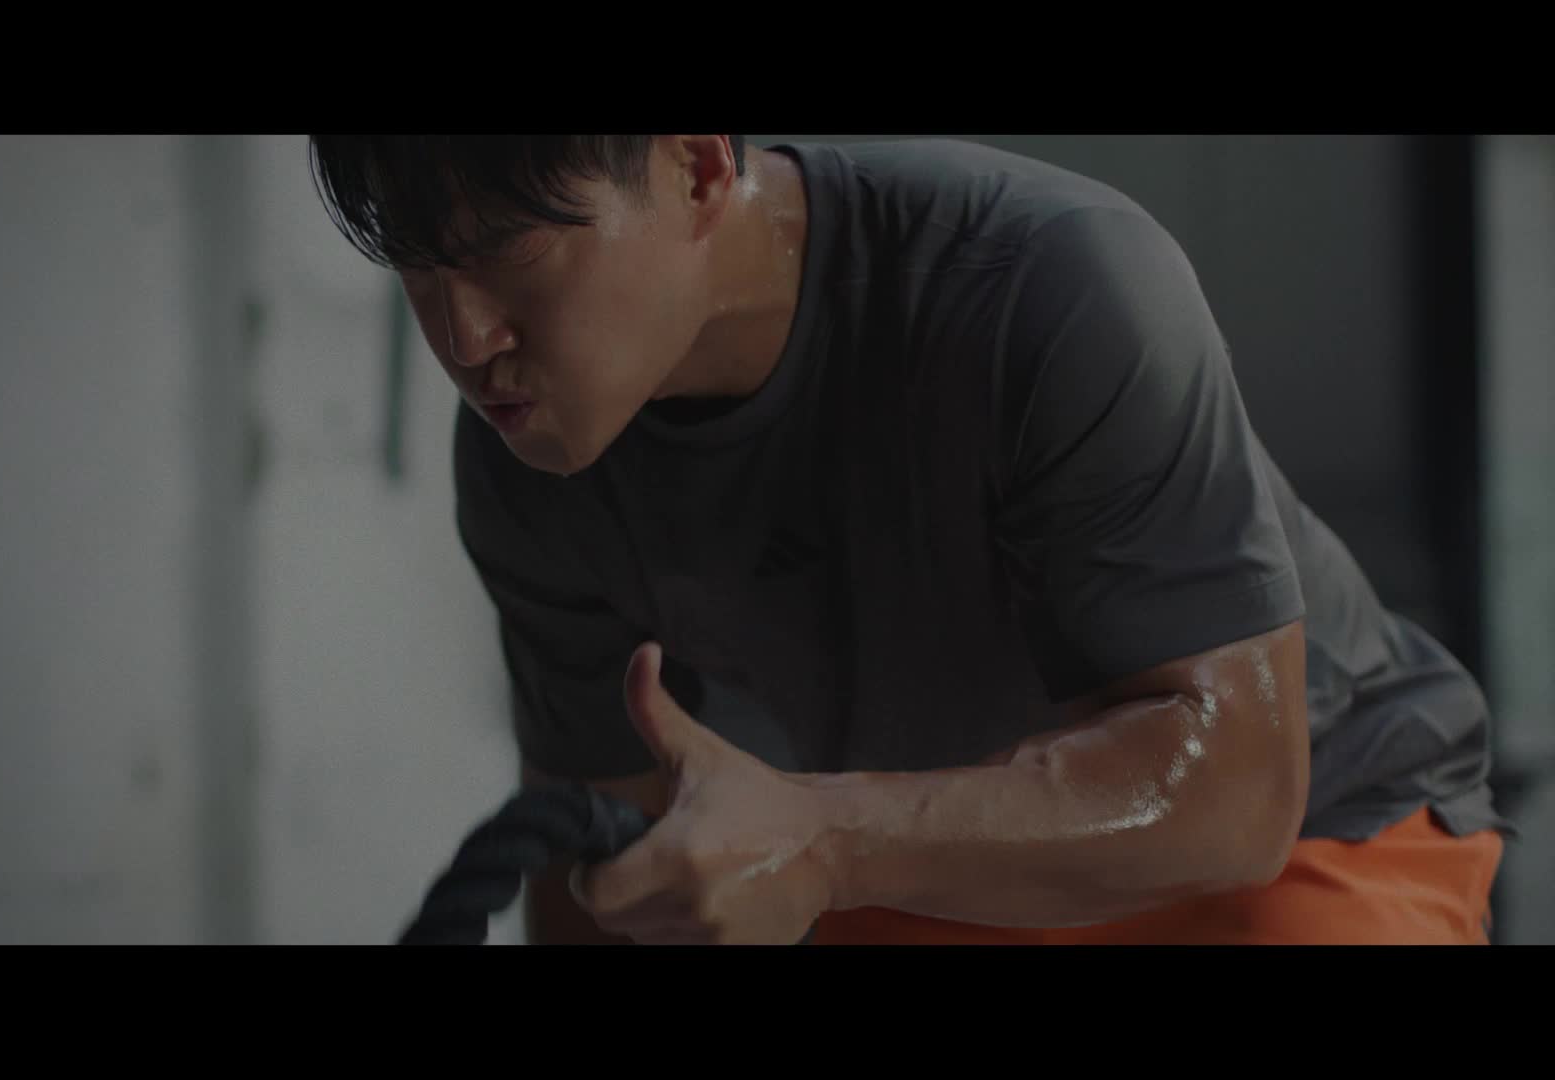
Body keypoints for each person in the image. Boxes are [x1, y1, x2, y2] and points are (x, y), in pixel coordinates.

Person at [307, 134, 1510, 945]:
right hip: (936, 867)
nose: (464, 340)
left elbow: (1236, 796)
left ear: (698, 165)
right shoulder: (530, 466)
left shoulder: (1050, 285)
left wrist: (826, 843)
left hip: (1310, 835)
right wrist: (817, 852)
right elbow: (599, 883)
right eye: (420, 266)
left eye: (508, 248)